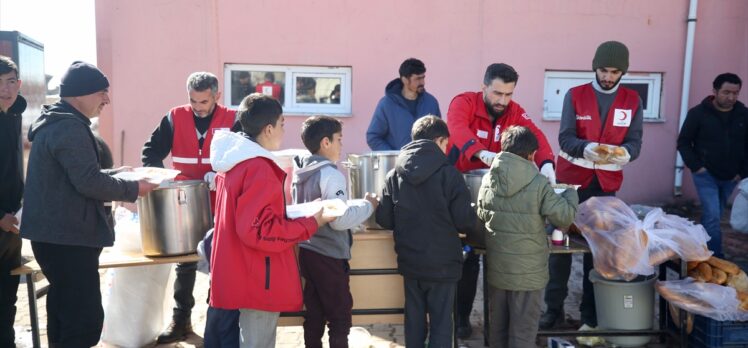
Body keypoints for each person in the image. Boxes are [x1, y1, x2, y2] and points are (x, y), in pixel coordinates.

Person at [21, 61, 156, 347]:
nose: (106, 99)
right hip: (67, 240)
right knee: (84, 323)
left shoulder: (60, 122)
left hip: (56, 238)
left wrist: (117, 175)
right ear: (80, 94)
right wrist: (134, 188)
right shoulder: (69, 128)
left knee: (64, 312)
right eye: (101, 92)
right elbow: (88, 183)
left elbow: (77, 177)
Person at [208, 93, 335, 348]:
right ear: (268, 129)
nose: (283, 130)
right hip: (256, 276)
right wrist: (312, 222)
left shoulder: (233, 161)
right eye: (282, 124)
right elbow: (260, 231)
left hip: (238, 270)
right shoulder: (258, 168)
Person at [446, 63, 556, 338]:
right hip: (462, 190)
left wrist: (547, 163)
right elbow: (456, 128)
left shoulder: (515, 112)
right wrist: (481, 153)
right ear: (484, 87)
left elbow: (536, 136)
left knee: (498, 258)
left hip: (499, 199)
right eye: (497, 93)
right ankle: (461, 317)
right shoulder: (464, 102)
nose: (502, 101)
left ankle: (499, 328)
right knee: (467, 259)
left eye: (508, 94)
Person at [546, 40, 644, 330]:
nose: (608, 77)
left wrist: (627, 153)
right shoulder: (575, 95)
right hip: (570, 185)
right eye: (603, 70)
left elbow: (635, 143)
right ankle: (553, 310)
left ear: (623, 72)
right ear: (595, 67)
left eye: (615, 72)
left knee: (597, 251)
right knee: (559, 247)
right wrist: (585, 148)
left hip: (605, 186)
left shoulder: (632, 100)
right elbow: (565, 138)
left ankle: (590, 313)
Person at [141, 71, 239, 343]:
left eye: (204, 102)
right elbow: (150, 151)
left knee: (220, 264)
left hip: (220, 201)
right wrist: (163, 179)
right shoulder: (175, 117)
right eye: (193, 101)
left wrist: (222, 176)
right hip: (183, 202)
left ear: (216, 96)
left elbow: (245, 156)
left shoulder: (233, 120)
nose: (198, 107)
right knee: (185, 262)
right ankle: (180, 320)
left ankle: (216, 323)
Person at [376, 115, 477, 348]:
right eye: (446, 144)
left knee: (414, 321)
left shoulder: (394, 175)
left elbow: (384, 218)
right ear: (439, 141)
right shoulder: (450, 174)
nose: (447, 149)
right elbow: (464, 221)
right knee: (442, 324)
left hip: (411, 262)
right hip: (443, 264)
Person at [476, 126, 578, 348]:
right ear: (532, 154)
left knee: (499, 331)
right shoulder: (538, 183)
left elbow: (482, 214)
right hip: (528, 276)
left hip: (498, 271)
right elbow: (563, 218)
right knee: (522, 334)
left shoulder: (488, 180)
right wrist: (570, 192)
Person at [293, 115, 378, 348]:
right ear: (326, 143)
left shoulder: (299, 174)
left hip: (307, 251)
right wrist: (368, 206)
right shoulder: (331, 175)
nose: (342, 145)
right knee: (339, 316)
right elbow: (338, 220)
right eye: (339, 139)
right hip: (329, 255)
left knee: (314, 312)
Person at [678, 73, 747, 258]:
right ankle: (715, 257)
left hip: (732, 176)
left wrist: (742, 172)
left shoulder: (744, 115)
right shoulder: (698, 113)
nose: (731, 97)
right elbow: (684, 142)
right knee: (713, 216)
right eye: (726, 92)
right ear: (715, 91)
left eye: (736, 93)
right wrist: (696, 167)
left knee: (712, 215)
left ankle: (699, 246)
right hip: (705, 174)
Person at [0, 55, 24, 347]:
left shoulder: (13, 116)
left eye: (9, 82)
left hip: (11, 231)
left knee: (7, 301)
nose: (4, 89)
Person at [366, 58, 441, 150]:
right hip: (397, 164)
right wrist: (393, 157)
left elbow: (440, 136)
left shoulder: (431, 102)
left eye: (423, 77)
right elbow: (373, 137)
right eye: (417, 79)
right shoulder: (387, 104)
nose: (422, 82)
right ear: (405, 80)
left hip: (427, 163)